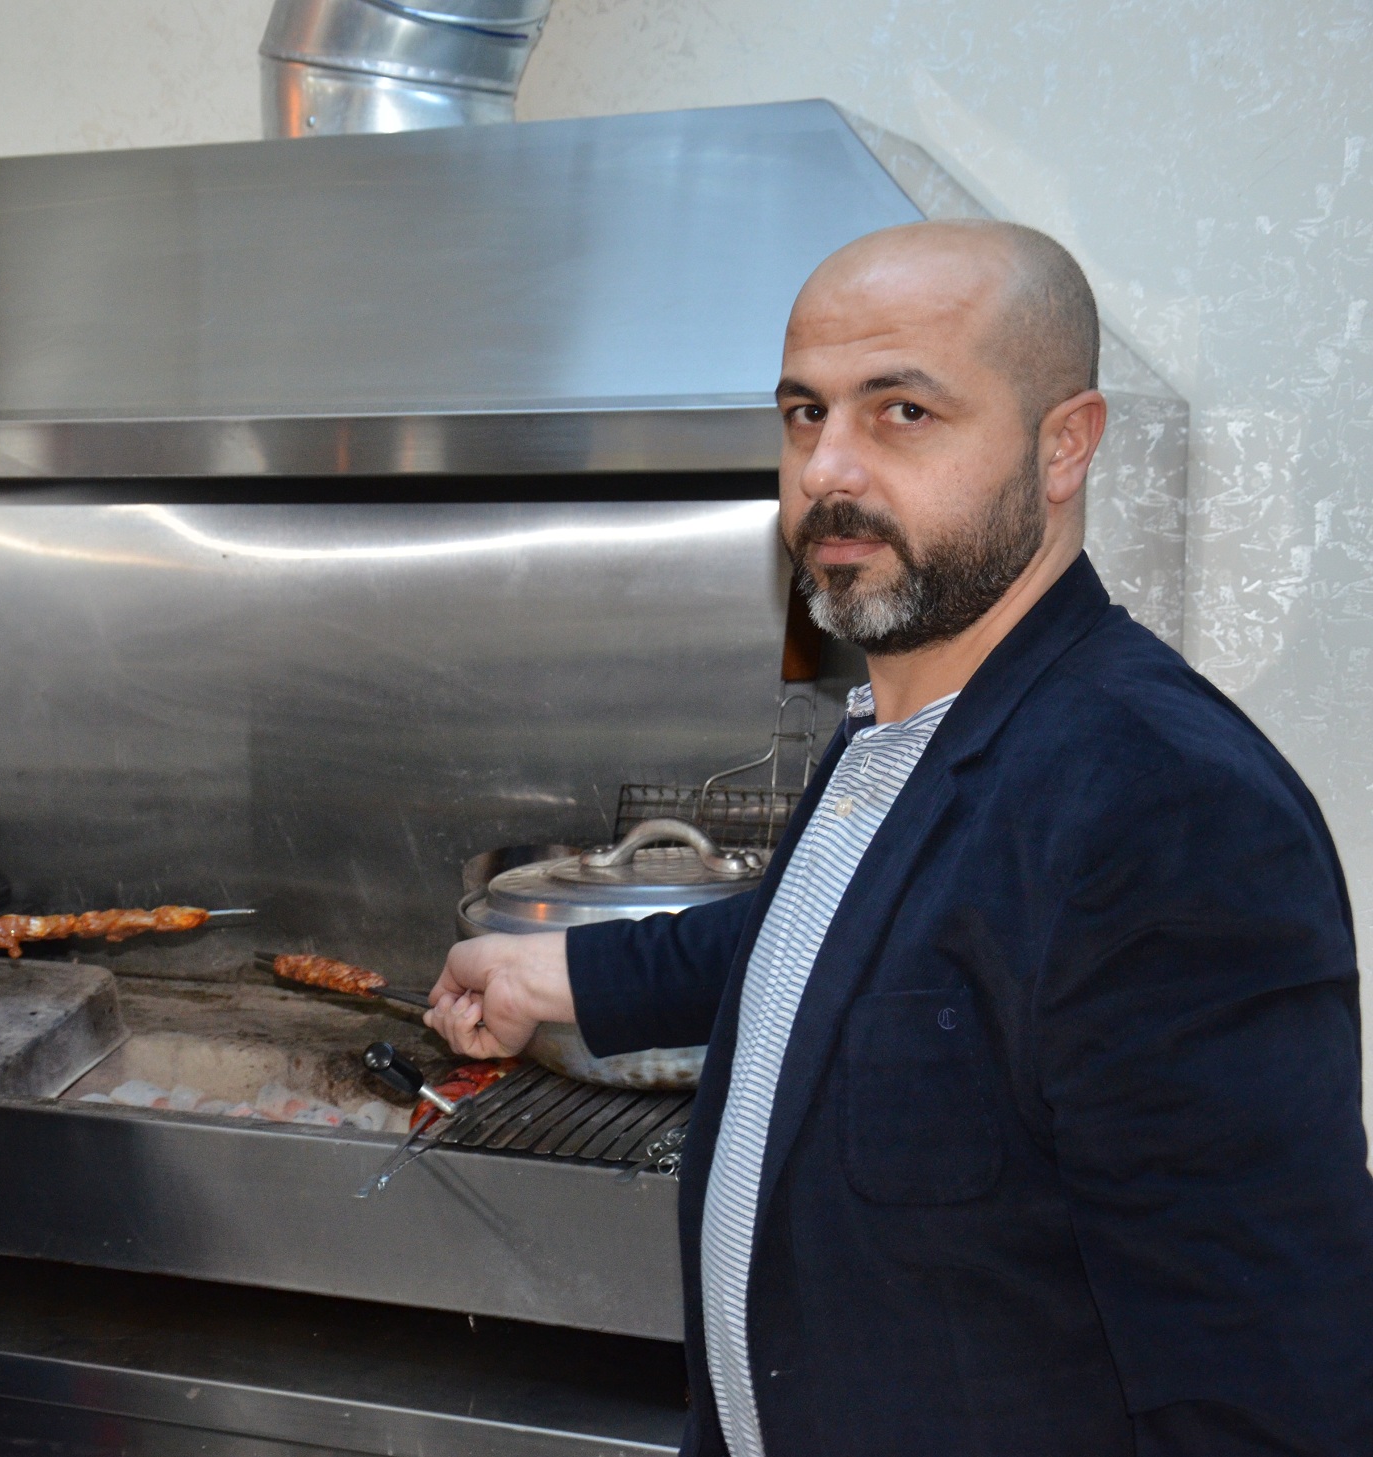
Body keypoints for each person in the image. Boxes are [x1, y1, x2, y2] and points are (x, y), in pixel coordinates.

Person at [427, 220, 1373, 1455]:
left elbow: (1270, 1386)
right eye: (803, 413)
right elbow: (843, 939)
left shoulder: (1165, 806)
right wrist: (566, 973)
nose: (827, 469)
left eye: (902, 412)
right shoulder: (895, 731)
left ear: (1063, 446)